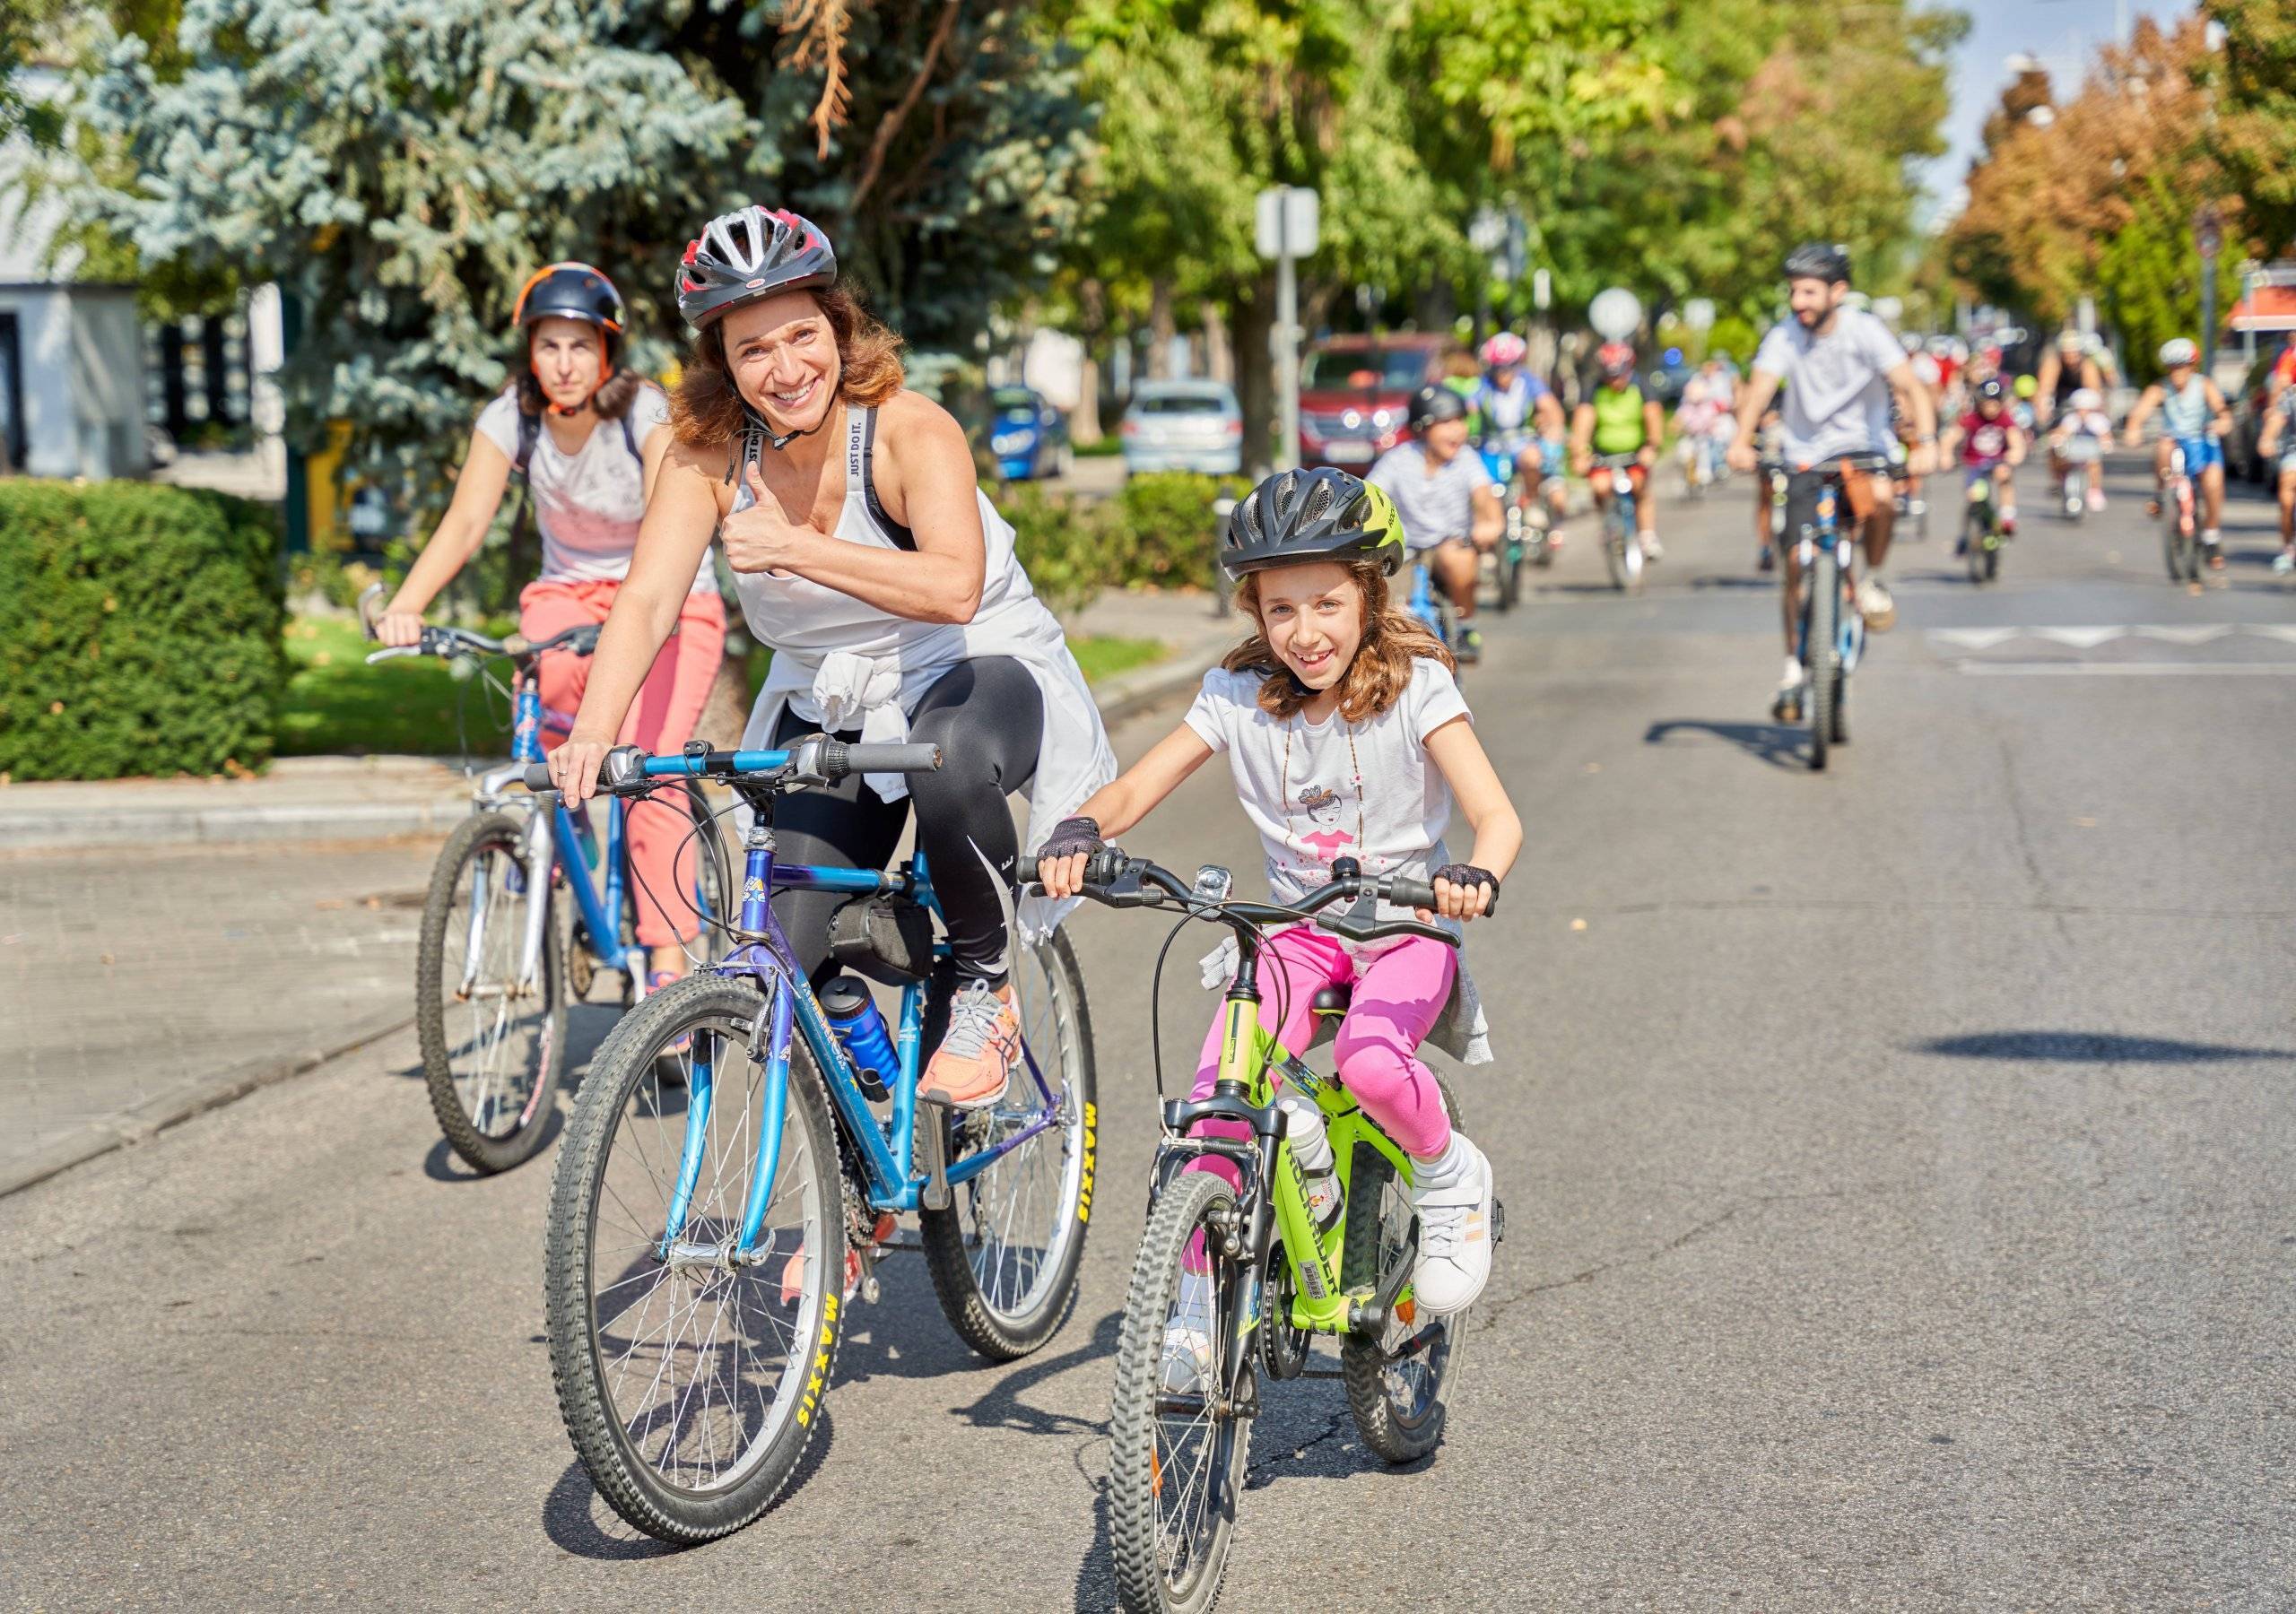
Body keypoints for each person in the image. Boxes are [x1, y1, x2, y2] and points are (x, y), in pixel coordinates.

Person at [545, 204, 1116, 1109]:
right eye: (753, 350)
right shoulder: (708, 458)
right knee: (780, 959)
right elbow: (648, 598)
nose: (785, 369)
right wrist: (593, 734)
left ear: (838, 328)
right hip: (833, 698)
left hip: (974, 668)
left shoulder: (906, 430)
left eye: (801, 336)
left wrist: (798, 550)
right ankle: (857, 1200)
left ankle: (985, 984)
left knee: (948, 760)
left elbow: (954, 588)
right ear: (721, 364)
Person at [1034, 465, 1520, 1341]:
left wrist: (1474, 873)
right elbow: (1137, 786)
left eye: (1326, 604)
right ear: (1253, 612)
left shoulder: (1417, 686)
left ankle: (1448, 1171)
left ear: (1368, 596)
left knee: (1371, 1064)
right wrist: (1080, 830)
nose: (1305, 632)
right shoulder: (1235, 697)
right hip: (1299, 933)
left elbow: (1495, 816)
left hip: (1408, 926)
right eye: (1280, 609)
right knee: (1215, 1108)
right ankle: (1187, 1315)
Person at [378, 263, 726, 995]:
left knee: (650, 771)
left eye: (579, 345)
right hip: (568, 597)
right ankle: (582, 872)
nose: (563, 364)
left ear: (606, 350)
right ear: (529, 352)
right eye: (548, 346)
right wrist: (404, 606)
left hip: (665, 596)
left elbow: (679, 504)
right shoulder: (514, 417)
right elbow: (467, 520)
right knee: (543, 738)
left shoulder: (644, 413)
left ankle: (667, 961)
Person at [1726, 241, 1938, 719]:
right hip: (1805, 453)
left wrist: (1926, 441)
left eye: (1808, 292)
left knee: (1882, 498)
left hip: (1864, 448)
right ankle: (1792, 670)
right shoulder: (1785, 335)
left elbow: (1908, 386)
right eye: (1794, 292)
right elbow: (1760, 388)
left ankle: (1874, 581)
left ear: (1837, 292)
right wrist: (1741, 439)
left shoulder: (1865, 331)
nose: (1798, 302)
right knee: (1796, 565)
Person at [1366, 385, 1505, 664]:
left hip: (1448, 543)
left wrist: (1490, 522)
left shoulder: (1466, 459)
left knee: (1460, 560)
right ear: (1422, 428)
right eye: (1446, 423)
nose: (1457, 430)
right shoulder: (1399, 460)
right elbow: (1370, 496)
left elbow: (1484, 495)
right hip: (1405, 549)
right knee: (1384, 602)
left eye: (1460, 421)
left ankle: (1466, 627)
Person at [2122, 337, 2234, 570]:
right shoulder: (2160, 389)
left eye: (2182, 366)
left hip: (2202, 440)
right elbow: (2139, 412)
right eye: (2172, 367)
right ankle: (2162, 494)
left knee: (2213, 484)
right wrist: (2133, 430)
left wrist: (2223, 421)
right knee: (2163, 446)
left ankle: (2212, 535)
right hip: (2175, 442)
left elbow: (2221, 409)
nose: (2177, 373)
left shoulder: (2204, 385)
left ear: (2192, 366)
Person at [1570, 342, 1666, 558]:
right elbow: (1582, 423)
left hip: (1635, 452)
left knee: (1639, 486)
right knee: (1600, 487)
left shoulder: (1641, 385)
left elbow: (1654, 416)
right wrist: (1579, 454)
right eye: (1610, 375)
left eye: (1618, 374)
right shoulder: (1593, 389)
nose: (1615, 380)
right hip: (1604, 454)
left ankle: (1647, 535)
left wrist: (1652, 446)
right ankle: (1609, 525)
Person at [1474, 332, 1569, 542]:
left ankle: (1533, 503)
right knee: (1481, 484)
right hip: (1492, 446)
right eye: (1498, 367)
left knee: (1532, 458)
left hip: (1523, 443)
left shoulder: (1529, 382)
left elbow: (1551, 408)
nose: (1503, 372)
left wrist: (1553, 429)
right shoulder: (1483, 385)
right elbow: (1469, 409)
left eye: (1509, 366)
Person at [1943, 376, 2026, 548]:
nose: (1991, 408)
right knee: (1974, 496)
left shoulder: (2005, 419)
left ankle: (2007, 517)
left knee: (2004, 476)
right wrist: (1946, 454)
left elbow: (2016, 441)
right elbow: (1951, 437)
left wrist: (2014, 455)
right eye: (1987, 403)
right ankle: (1967, 534)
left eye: (1995, 403)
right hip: (1975, 463)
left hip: (1998, 462)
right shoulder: (1972, 419)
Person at [2046, 385, 2113, 514]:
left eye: (2086, 409)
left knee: (2094, 465)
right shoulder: (2072, 419)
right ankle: (2059, 483)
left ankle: (2094, 489)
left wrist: (2106, 443)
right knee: (2060, 461)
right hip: (2073, 451)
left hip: (2090, 451)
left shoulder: (2098, 420)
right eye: (2080, 409)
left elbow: (2105, 435)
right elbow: (2062, 431)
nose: (2082, 412)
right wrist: (2056, 438)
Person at [2254, 376, 2296, 574]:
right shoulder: (2291, 396)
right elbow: (2278, 418)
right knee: (2288, 488)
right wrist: (2267, 438)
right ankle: (2288, 550)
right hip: (2293, 452)